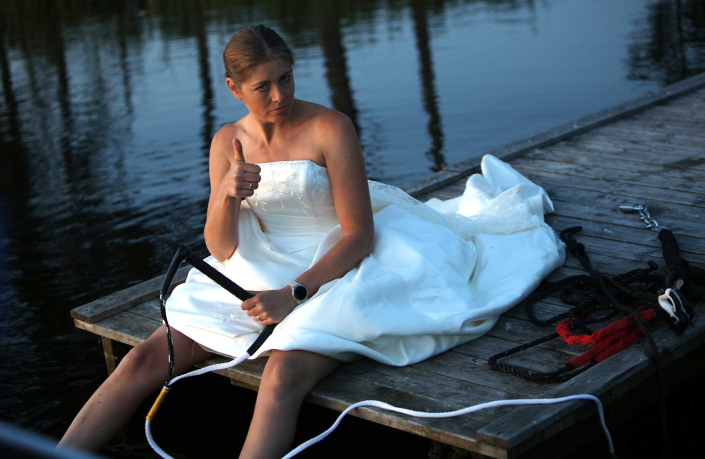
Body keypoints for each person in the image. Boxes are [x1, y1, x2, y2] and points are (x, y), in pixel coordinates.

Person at [59, 25, 565, 459]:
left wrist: (294, 294)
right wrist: (227, 197)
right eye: (262, 87)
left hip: (337, 265)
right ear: (235, 88)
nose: (279, 95)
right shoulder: (225, 142)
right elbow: (222, 247)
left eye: (286, 78)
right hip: (256, 262)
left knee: (281, 377)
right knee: (143, 358)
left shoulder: (330, 128)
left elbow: (359, 235)